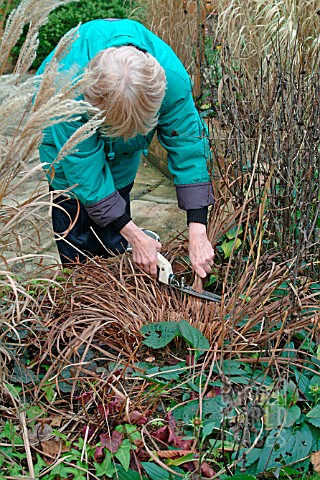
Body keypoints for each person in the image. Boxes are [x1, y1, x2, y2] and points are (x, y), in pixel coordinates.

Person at [37, 19, 215, 278]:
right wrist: (134, 234)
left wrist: (198, 228)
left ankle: (115, 280)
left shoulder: (171, 82)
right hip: (64, 148)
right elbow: (82, 168)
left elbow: (188, 145)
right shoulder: (69, 90)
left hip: (121, 154)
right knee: (75, 228)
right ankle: (80, 290)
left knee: (114, 225)